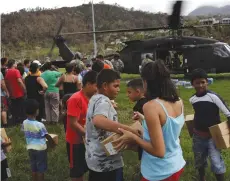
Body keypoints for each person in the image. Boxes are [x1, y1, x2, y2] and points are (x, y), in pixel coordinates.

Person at [113, 60, 186, 181]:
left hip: (159, 171)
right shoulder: (179, 101)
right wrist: (144, 119)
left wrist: (134, 137)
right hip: (176, 163)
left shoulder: (151, 106)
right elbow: (166, 126)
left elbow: (159, 151)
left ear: (146, 82)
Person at [85, 69, 141, 181]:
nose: (118, 90)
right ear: (105, 86)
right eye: (115, 86)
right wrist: (128, 130)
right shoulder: (104, 101)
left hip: (95, 158)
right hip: (107, 163)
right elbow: (98, 120)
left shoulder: (95, 98)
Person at [189, 68, 230, 181]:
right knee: (199, 160)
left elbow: (228, 113)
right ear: (192, 84)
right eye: (197, 82)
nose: (201, 85)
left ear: (207, 82)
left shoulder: (214, 97)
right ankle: (202, 178)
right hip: (198, 136)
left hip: (213, 136)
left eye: (203, 82)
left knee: (216, 162)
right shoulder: (192, 99)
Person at [66, 71, 98, 181]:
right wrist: (89, 135)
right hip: (76, 141)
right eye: (96, 86)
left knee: (86, 167)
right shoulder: (75, 99)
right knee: (77, 172)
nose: (97, 90)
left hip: (88, 140)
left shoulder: (93, 98)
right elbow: (73, 123)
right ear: (88, 84)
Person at [21, 99, 55, 181]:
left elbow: (23, 131)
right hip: (40, 150)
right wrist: (52, 143)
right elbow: (47, 136)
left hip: (30, 149)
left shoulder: (24, 123)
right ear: (36, 111)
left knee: (34, 168)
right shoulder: (40, 125)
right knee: (41, 169)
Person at [126, 78, 148, 161]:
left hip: (144, 136)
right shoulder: (150, 101)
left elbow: (139, 123)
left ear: (138, 91)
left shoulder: (139, 106)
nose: (127, 95)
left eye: (129, 92)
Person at [5, 59, 26, 125]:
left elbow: (7, 82)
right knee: (21, 108)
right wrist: (24, 89)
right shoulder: (16, 71)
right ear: (13, 64)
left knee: (14, 108)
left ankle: (15, 122)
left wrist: (10, 91)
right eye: (15, 63)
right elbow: (19, 81)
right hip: (19, 93)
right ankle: (21, 122)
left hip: (12, 93)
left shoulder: (7, 72)